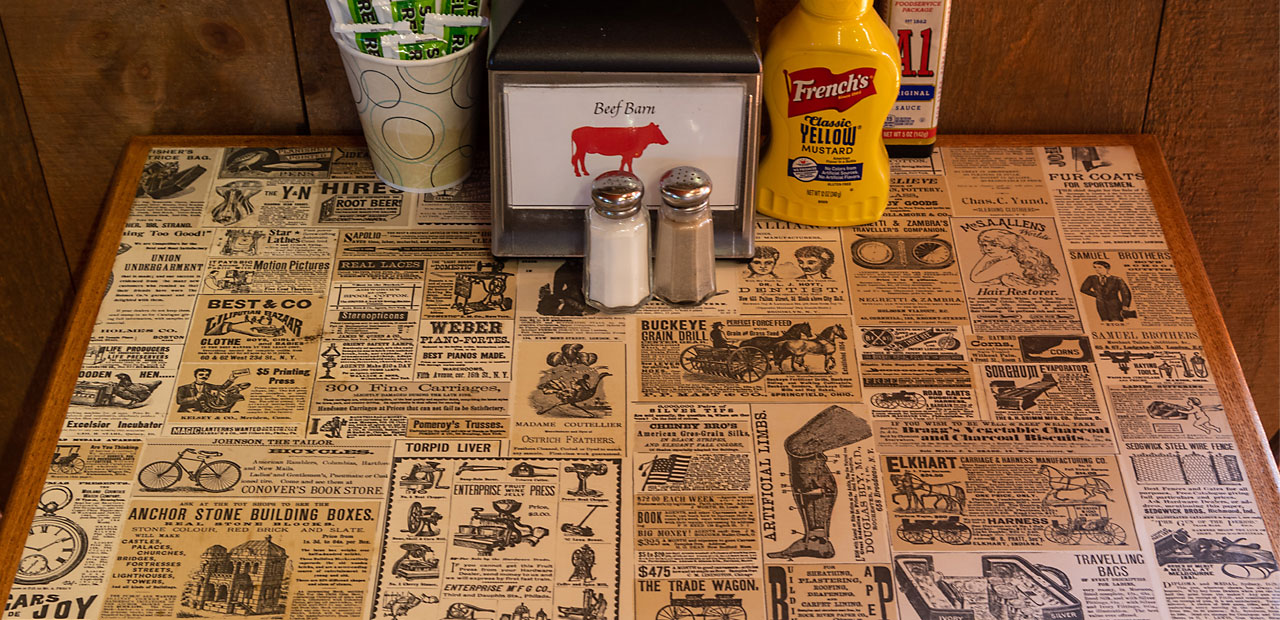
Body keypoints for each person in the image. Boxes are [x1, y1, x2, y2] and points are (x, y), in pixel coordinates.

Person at [969, 228, 1059, 288]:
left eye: (994, 245)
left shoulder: (1007, 263)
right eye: (984, 245)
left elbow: (975, 278)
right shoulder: (1017, 256)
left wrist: (986, 257)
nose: (987, 248)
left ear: (1007, 244)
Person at [175, 368, 247, 412]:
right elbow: (180, 401)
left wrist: (231, 379)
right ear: (195, 375)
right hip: (187, 412)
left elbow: (222, 387)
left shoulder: (209, 386)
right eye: (201, 374)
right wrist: (195, 398)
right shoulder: (183, 388)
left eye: (206, 375)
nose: (204, 376)